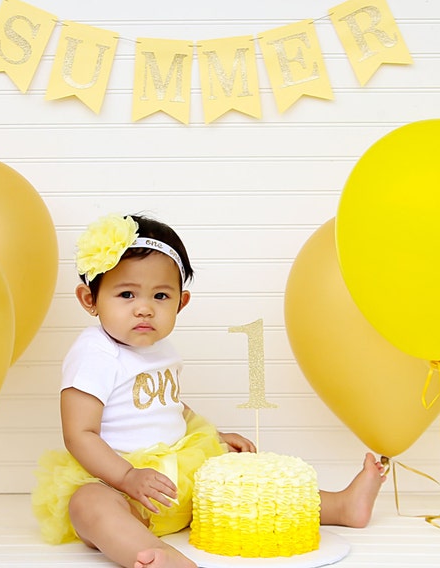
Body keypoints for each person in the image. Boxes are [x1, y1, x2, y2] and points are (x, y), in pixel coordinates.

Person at [32, 213, 386, 568]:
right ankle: (155, 555)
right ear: (89, 299)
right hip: (120, 481)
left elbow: (166, 404)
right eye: (126, 294)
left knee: (241, 478)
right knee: (88, 504)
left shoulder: (158, 347)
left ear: (181, 303)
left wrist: (215, 437)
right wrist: (126, 477)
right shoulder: (95, 352)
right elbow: (79, 433)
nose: (144, 308)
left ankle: (339, 506)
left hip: (178, 476)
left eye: (160, 296)